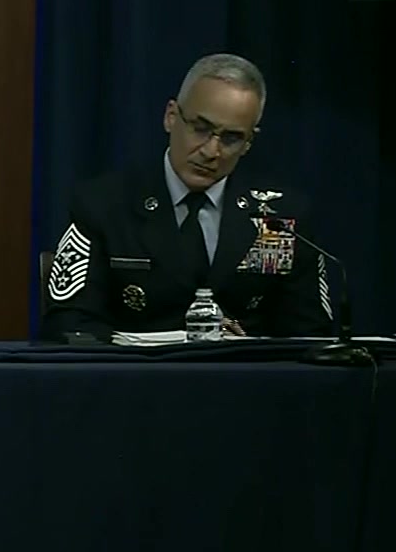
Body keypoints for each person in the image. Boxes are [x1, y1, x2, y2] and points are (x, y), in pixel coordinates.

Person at [41, 53, 332, 340]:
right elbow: (71, 323)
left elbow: (310, 334)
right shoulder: (103, 205)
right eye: (201, 129)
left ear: (248, 143)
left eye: (231, 138)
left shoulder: (279, 218)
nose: (211, 152)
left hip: (246, 382)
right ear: (171, 117)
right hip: (140, 380)